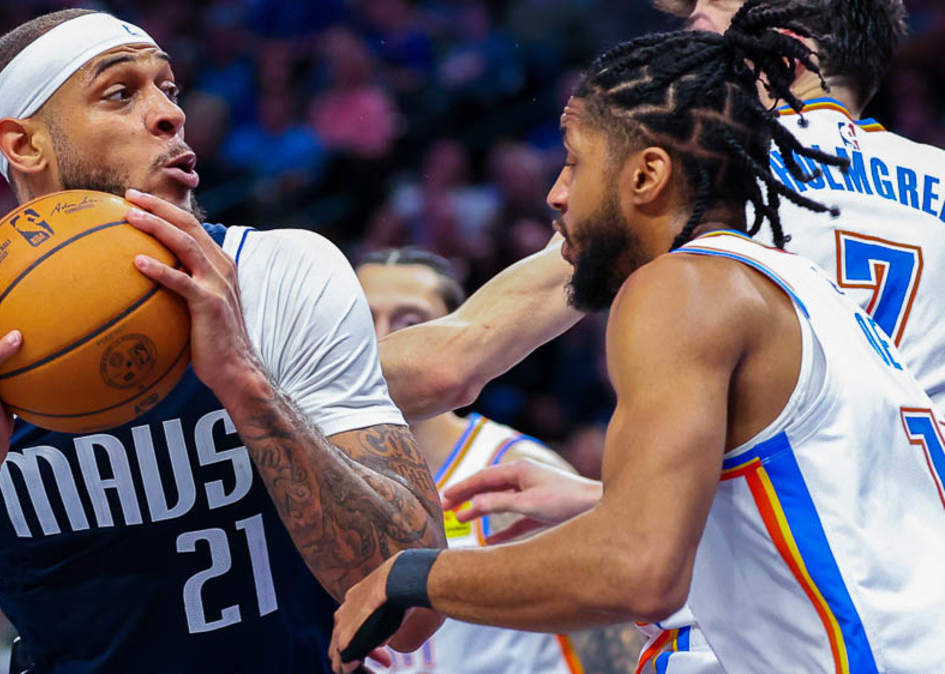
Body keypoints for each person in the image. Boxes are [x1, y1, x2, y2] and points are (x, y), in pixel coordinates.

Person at [0, 9, 443, 674]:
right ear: (25, 145)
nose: (170, 114)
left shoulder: (280, 273)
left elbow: (412, 617)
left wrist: (247, 389)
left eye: (168, 88)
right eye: (121, 92)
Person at [329, 5, 945, 672]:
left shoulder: (689, 271)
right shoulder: (814, 294)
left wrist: (413, 573)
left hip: (770, 631)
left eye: (709, 34)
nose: (556, 195)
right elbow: (835, 468)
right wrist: (612, 497)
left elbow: (636, 562)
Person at [377, 0, 945, 421]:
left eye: (701, 37)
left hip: (788, 566)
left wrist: (292, 385)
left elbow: (451, 363)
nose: (681, 56)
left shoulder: (704, 171)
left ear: (780, 57)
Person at [356, 248, 589, 674]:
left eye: (410, 323)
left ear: (450, 336)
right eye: (363, 321)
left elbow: (611, 634)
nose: (383, 339)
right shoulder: (309, 475)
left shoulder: (516, 469)